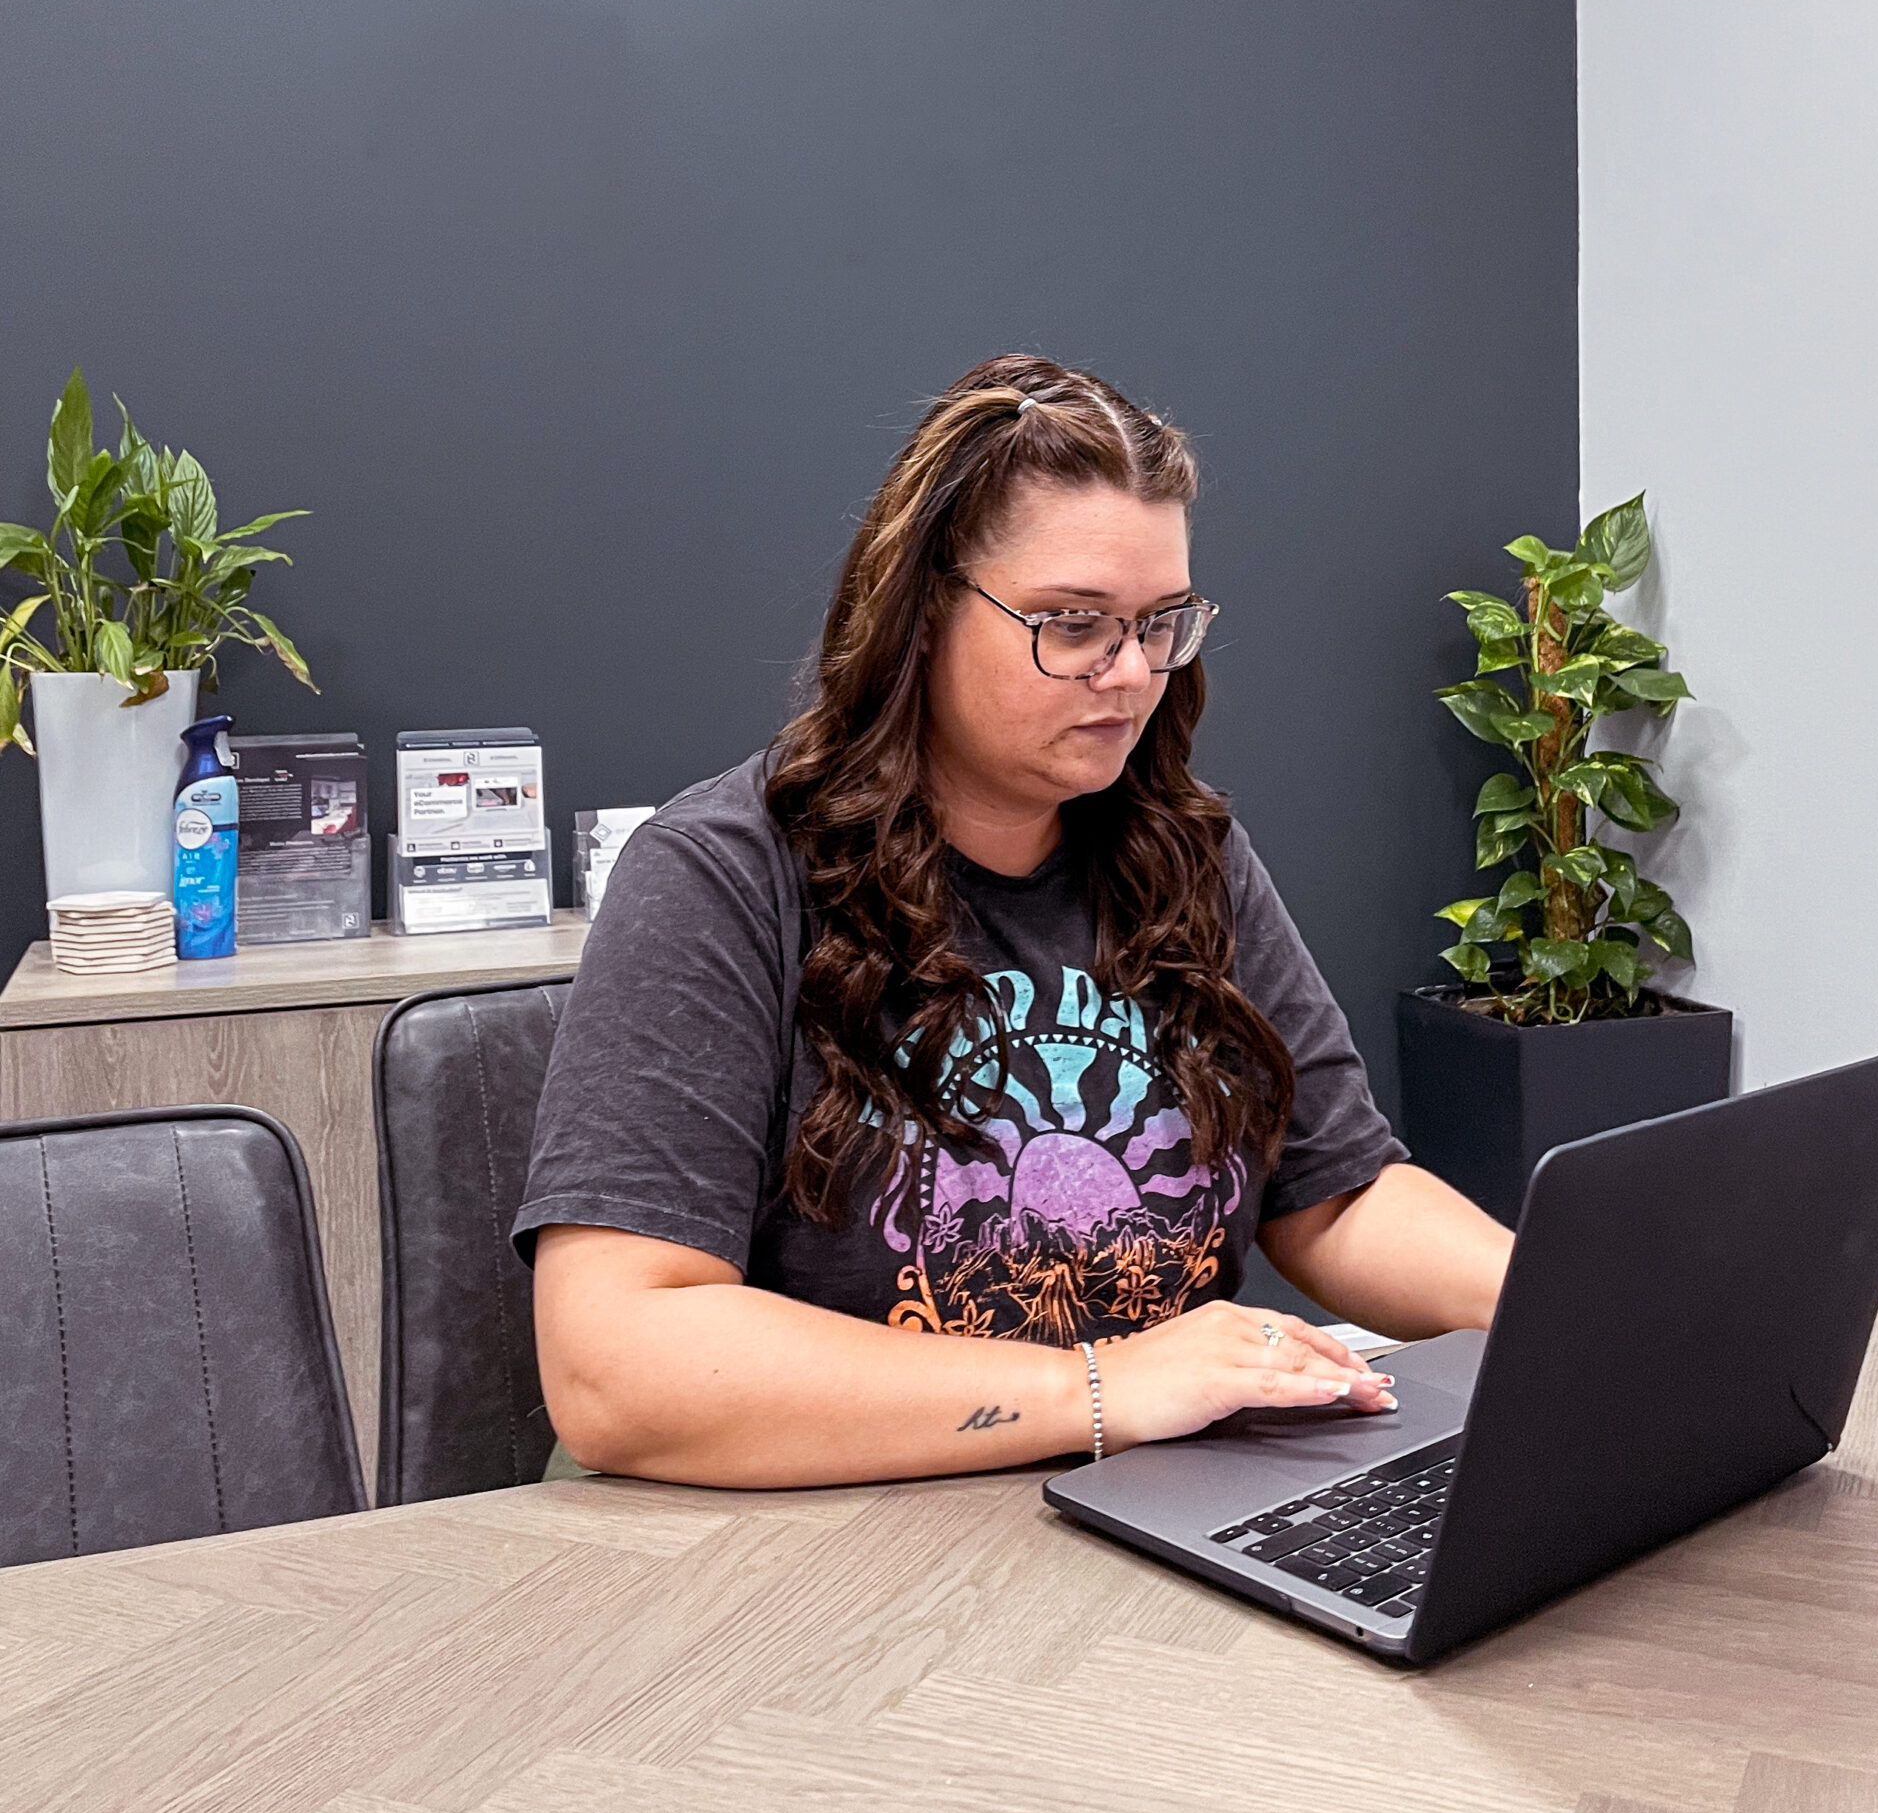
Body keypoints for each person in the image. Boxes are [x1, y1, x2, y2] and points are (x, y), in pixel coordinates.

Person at [520, 355, 1513, 1487]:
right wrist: (1100, 1388)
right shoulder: (721, 879)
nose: (1131, 674)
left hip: (1124, 1505)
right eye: (1074, 624)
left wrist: (1564, 1299)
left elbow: (1336, 1197)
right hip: (808, 1546)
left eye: (1161, 623)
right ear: (922, 613)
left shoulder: (1186, 855)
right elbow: (618, 1365)